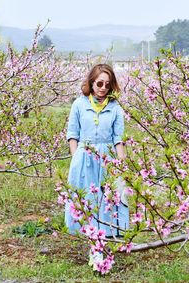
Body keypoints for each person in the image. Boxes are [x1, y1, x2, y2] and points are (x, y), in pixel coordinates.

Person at [65, 64, 129, 244]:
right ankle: (84, 231)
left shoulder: (115, 107)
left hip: (107, 157)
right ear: (91, 82)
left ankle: (107, 233)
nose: (103, 88)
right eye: (99, 83)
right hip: (84, 155)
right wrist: (75, 158)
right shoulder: (79, 104)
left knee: (106, 195)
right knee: (85, 194)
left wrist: (121, 164)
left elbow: (118, 138)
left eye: (108, 84)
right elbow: (72, 134)